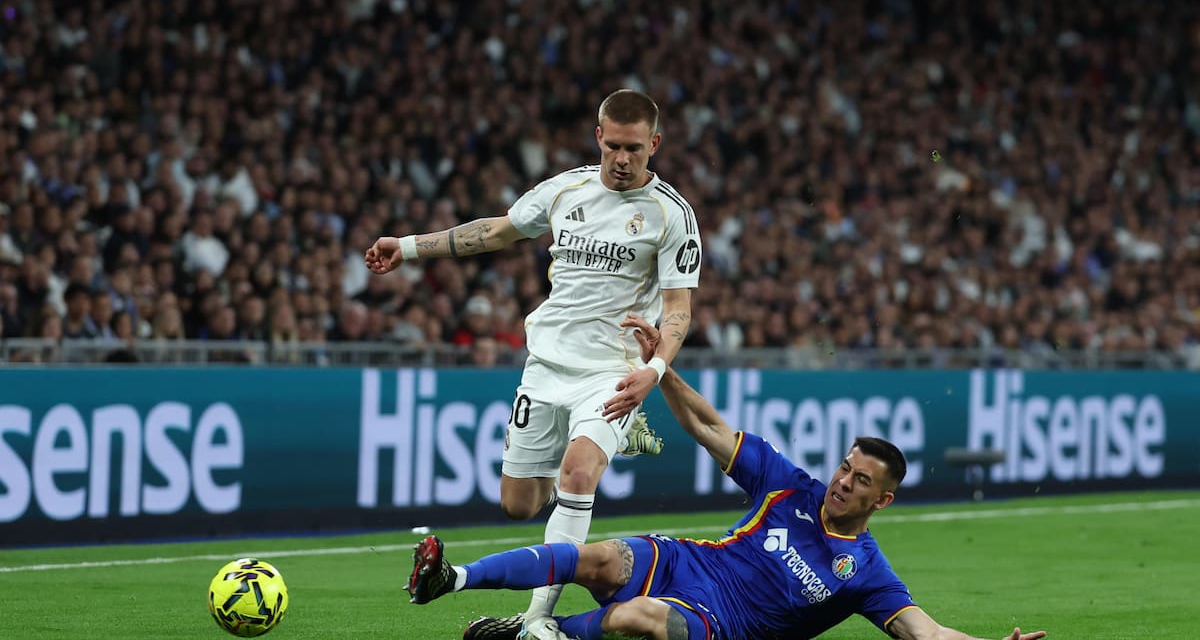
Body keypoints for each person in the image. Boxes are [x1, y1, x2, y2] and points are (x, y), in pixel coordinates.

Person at [405, 314, 1048, 640]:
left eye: (860, 481)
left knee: (639, 618)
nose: (843, 482)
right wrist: (659, 369)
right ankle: (451, 579)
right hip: (689, 561)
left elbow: (923, 632)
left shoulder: (866, 573)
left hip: (722, 624)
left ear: (883, 500)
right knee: (595, 557)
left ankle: (539, 635)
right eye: (845, 468)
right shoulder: (791, 487)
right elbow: (709, 427)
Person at [367, 89, 701, 639]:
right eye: (613, 146)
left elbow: (678, 309)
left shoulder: (672, 214)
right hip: (546, 367)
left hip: (611, 371)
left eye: (635, 149)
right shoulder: (565, 189)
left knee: (578, 471)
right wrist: (407, 247)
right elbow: (497, 230)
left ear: (655, 145)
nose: (621, 159)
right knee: (519, 504)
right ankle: (617, 440)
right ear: (599, 137)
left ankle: (535, 621)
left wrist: (655, 371)